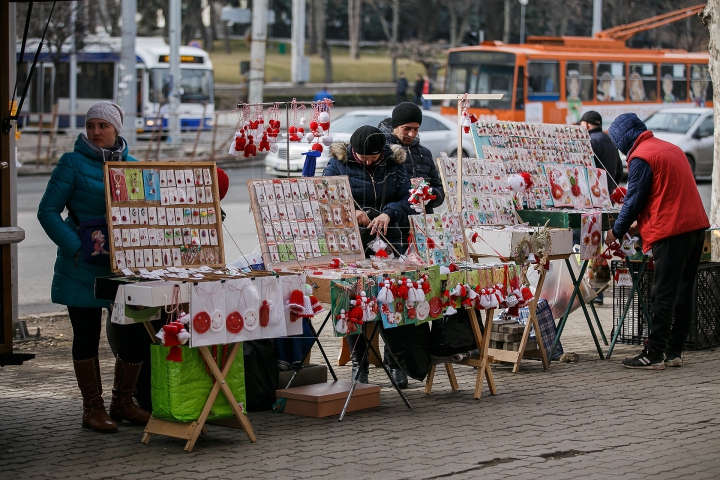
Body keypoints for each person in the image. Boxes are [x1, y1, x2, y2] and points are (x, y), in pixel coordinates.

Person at [38, 101, 151, 433]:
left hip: (125, 268)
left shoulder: (133, 166)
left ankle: (124, 402)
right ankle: (92, 409)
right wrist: (76, 248)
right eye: (91, 126)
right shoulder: (71, 163)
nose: (96, 132)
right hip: (81, 266)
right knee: (86, 337)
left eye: (103, 126)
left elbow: (146, 213)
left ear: (117, 129)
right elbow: (47, 211)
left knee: (134, 336)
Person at [605, 113, 709, 370]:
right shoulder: (671, 148)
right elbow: (667, 195)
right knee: (683, 292)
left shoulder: (642, 157)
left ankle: (654, 354)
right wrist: (639, 226)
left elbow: (633, 200)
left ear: (623, 141)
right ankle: (674, 352)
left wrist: (616, 231)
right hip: (695, 228)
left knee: (662, 293)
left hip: (671, 233)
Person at [324, 126, 425, 388]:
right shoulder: (337, 164)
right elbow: (324, 197)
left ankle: (395, 361)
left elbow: (408, 199)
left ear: (382, 153)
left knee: (392, 297)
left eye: (373, 158)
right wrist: (350, 211)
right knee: (351, 299)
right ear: (353, 152)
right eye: (363, 158)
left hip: (390, 242)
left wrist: (388, 213)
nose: (368, 162)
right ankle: (360, 364)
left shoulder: (393, 165)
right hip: (351, 245)